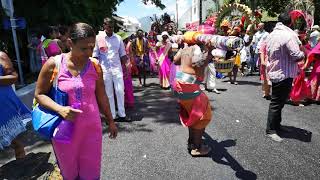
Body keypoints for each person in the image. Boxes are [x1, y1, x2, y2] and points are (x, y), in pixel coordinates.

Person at [35, 23, 117, 179]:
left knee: (91, 172)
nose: (89, 52)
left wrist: (111, 121)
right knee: (69, 173)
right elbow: (39, 94)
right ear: (70, 43)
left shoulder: (95, 66)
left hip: (92, 129)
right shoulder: (54, 64)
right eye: (83, 48)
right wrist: (60, 109)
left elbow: (102, 96)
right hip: (64, 130)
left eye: (91, 47)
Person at [265, 12, 305, 142]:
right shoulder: (288, 35)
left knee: (279, 102)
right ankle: (271, 130)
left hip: (276, 71)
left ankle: (277, 126)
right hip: (284, 73)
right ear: (290, 23)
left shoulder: (272, 34)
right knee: (277, 102)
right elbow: (296, 55)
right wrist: (303, 53)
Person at [173, 44, 213, 156]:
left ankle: (192, 142)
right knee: (203, 115)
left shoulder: (186, 47)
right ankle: (196, 148)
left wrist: (185, 54)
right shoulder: (198, 48)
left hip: (180, 82)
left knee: (192, 113)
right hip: (189, 84)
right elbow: (197, 63)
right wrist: (208, 52)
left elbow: (175, 60)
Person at [93, 17, 128, 121]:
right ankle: (112, 116)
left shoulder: (118, 38)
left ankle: (122, 115)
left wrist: (126, 67)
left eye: (112, 26)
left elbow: (122, 54)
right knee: (109, 93)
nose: (111, 28)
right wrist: (96, 70)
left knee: (120, 91)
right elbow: (95, 55)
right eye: (108, 26)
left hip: (117, 69)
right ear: (104, 26)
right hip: (105, 70)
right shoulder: (99, 38)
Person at [0, 51, 30, 159]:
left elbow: (13, 77)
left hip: (4, 108)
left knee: (16, 142)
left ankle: (23, 169)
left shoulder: (1, 56)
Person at [118, 31, 135, 109]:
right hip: (126, 64)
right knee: (126, 84)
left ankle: (124, 102)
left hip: (122, 65)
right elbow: (131, 54)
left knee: (122, 85)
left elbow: (131, 54)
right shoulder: (127, 44)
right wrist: (132, 63)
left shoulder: (121, 45)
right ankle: (128, 101)